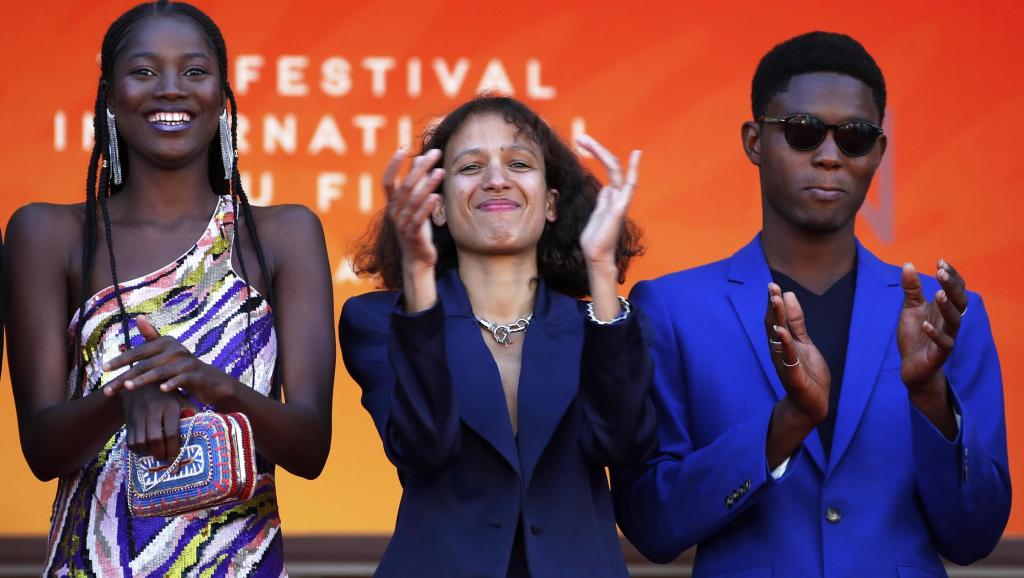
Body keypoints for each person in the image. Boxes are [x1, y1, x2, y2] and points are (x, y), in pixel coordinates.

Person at [613, 31, 1010, 577]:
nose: (829, 157)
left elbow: (976, 536)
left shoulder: (945, 318)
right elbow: (651, 524)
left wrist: (931, 397)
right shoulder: (671, 309)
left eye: (855, 137)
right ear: (754, 141)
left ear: (878, 152)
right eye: (801, 133)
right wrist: (786, 425)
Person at [5, 1, 335, 575]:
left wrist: (213, 385)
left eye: (194, 71)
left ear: (222, 96)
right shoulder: (48, 233)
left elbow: (310, 450)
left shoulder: (283, 234)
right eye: (143, 71)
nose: (170, 89)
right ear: (109, 96)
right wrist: (121, 396)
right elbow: (40, 450)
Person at [339, 95, 656, 578]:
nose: (496, 179)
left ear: (550, 203)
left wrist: (601, 267)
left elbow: (622, 446)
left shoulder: (603, 326)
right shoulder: (381, 320)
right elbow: (426, 447)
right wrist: (418, 274)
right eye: (470, 167)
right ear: (437, 207)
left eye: (518, 163)